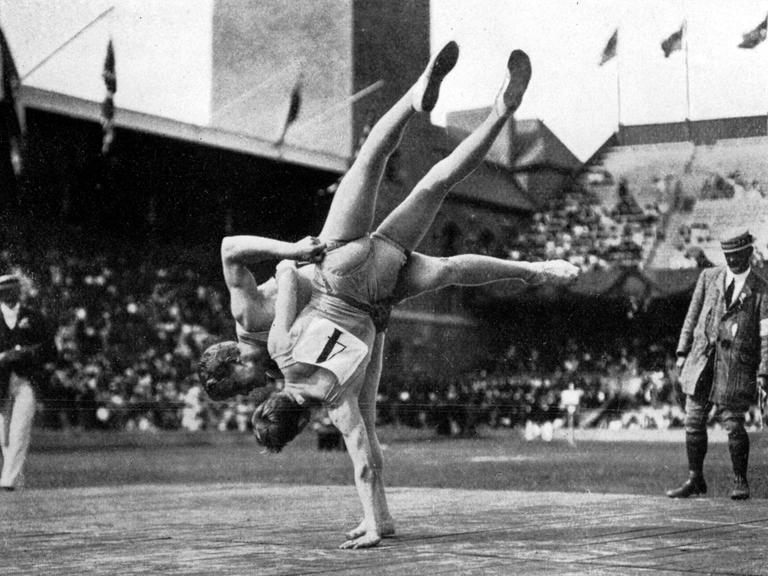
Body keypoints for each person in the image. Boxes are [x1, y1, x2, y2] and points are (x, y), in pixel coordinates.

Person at [244, 44, 577, 549]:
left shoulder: (339, 403)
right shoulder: (282, 354)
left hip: (382, 288)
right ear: (274, 398)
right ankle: (417, 97)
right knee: (376, 158)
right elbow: (288, 273)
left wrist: (378, 524)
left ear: (301, 423)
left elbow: (367, 462)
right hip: (341, 267)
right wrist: (292, 270)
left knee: (447, 261)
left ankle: (534, 267)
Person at [666, 228, 768, 500]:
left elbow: (766, 336)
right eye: (728, 255)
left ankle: (740, 481)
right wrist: (681, 351)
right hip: (701, 362)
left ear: (750, 252)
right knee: (693, 421)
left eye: (737, 255)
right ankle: (695, 479)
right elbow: (692, 316)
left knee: (733, 424)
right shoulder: (708, 278)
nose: (732, 260)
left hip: (735, 366)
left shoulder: (761, 290)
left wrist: (764, 370)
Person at [0, 274, 56, 491]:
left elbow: (50, 350)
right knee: (3, 435)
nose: (9, 294)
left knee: (19, 430)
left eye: (12, 290)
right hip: (2, 381)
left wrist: (26, 354)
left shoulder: (33, 316)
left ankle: (7, 482)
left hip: (27, 380)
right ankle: (16, 480)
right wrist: (4, 357)